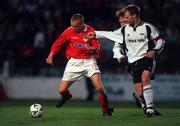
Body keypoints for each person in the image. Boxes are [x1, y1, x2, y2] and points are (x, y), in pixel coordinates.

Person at [87, 5, 165, 117]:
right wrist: (95, 34)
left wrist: (155, 50)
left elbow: (160, 40)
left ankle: (150, 110)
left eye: (127, 17)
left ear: (135, 16)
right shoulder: (124, 30)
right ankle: (148, 106)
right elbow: (111, 35)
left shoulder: (148, 27)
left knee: (145, 79)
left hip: (146, 58)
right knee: (139, 92)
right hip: (132, 62)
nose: (125, 20)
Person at [46, 13, 113, 116]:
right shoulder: (69, 31)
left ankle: (106, 110)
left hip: (89, 61)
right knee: (62, 90)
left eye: (75, 26)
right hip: (73, 62)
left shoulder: (91, 31)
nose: (73, 28)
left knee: (99, 88)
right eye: (72, 26)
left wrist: (91, 49)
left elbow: (97, 48)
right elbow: (58, 43)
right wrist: (51, 56)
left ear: (82, 24)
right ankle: (66, 96)